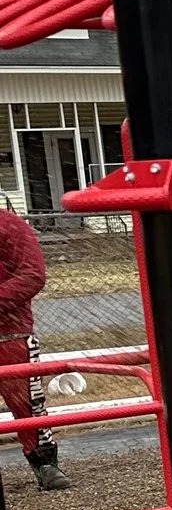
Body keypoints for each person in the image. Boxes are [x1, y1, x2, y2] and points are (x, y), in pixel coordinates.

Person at [0, 203, 70, 490]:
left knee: (28, 406)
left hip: (10, 335)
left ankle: (44, 463)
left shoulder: (10, 226)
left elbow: (33, 274)